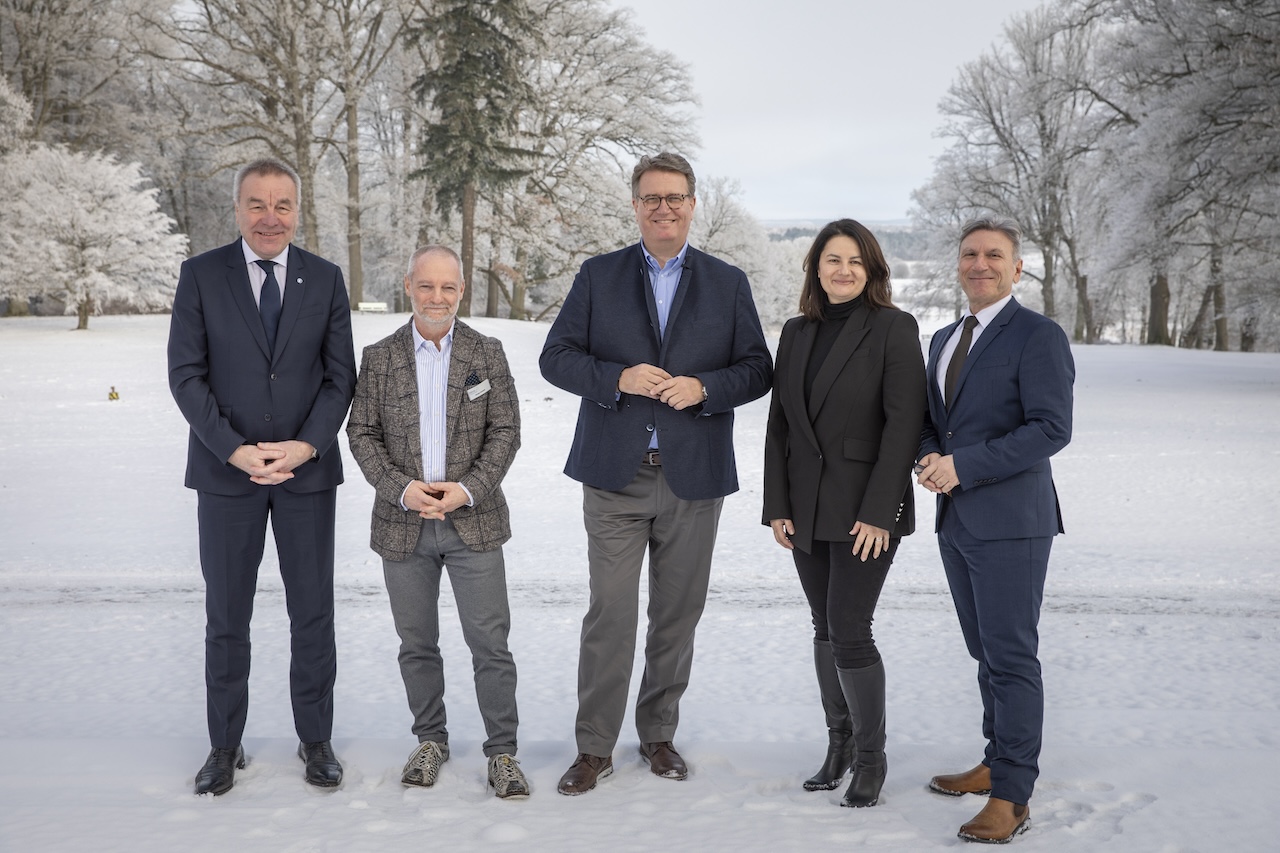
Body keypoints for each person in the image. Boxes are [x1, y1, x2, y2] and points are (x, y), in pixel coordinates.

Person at [540, 152, 773, 794]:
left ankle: (658, 734)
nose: (663, 207)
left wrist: (706, 388)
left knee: (676, 615)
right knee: (610, 613)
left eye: (675, 197)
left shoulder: (727, 283)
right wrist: (615, 377)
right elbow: (555, 357)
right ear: (635, 205)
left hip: (692, 477)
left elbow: (758, 368)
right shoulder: (598, 276)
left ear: (693, 204)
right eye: (651, 197)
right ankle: (594, 748)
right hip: (613, 474)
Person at [168, 158, 357, 795]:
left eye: (281, 205)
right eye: (256, 204)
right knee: (226, 616)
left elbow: (340, 379)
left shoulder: (326, 279)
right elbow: (185, 376)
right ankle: (224, 745)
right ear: (238, 208)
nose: (269, 217)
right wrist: (233, 449)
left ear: (297, 210)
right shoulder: (200, 276)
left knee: (313, 615)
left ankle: (317, 741)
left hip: (306, 476)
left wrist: (305, 446)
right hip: (228, 478)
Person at [345, 246, 528, 799]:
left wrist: (466, 489)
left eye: (448, 287)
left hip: (474, 521)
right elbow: (361, 434)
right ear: (409, 287)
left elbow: (506, 431)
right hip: (404, 525)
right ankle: (430, 739)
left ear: (462, 290)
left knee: (489, 643)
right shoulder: (379, 357)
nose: (437, 297)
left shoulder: (486, 353)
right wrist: (402, 490)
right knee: (416, 643)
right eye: (427, 286)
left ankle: (502, 753)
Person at [916, 216, 1074, 843]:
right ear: (959, 264)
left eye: (994, 255)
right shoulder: (944, 339)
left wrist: (963, 466)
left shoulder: (1039, 336)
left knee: (1011, 656)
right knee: (985, 654)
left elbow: (1050, 428)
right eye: (970, 254)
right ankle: (993, 761)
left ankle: (1013, 795)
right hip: (956, 518)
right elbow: (936, 421)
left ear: (1017, 268)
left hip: (1013, 522)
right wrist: (930, 457)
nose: (980, 264)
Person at [762, 219, 926, 808]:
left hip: (865, 509)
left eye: (855, 261)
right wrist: (776, 506)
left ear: (873, 269)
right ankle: (839, 745)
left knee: (851, 629)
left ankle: (872, 761)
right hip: (805, 508)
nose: (843, 270)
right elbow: (780, 424)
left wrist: (882, 511)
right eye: (832, 260)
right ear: (816, 268)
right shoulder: (796, 332)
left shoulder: (893, 328)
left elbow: (905, 424)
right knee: (824, 628)